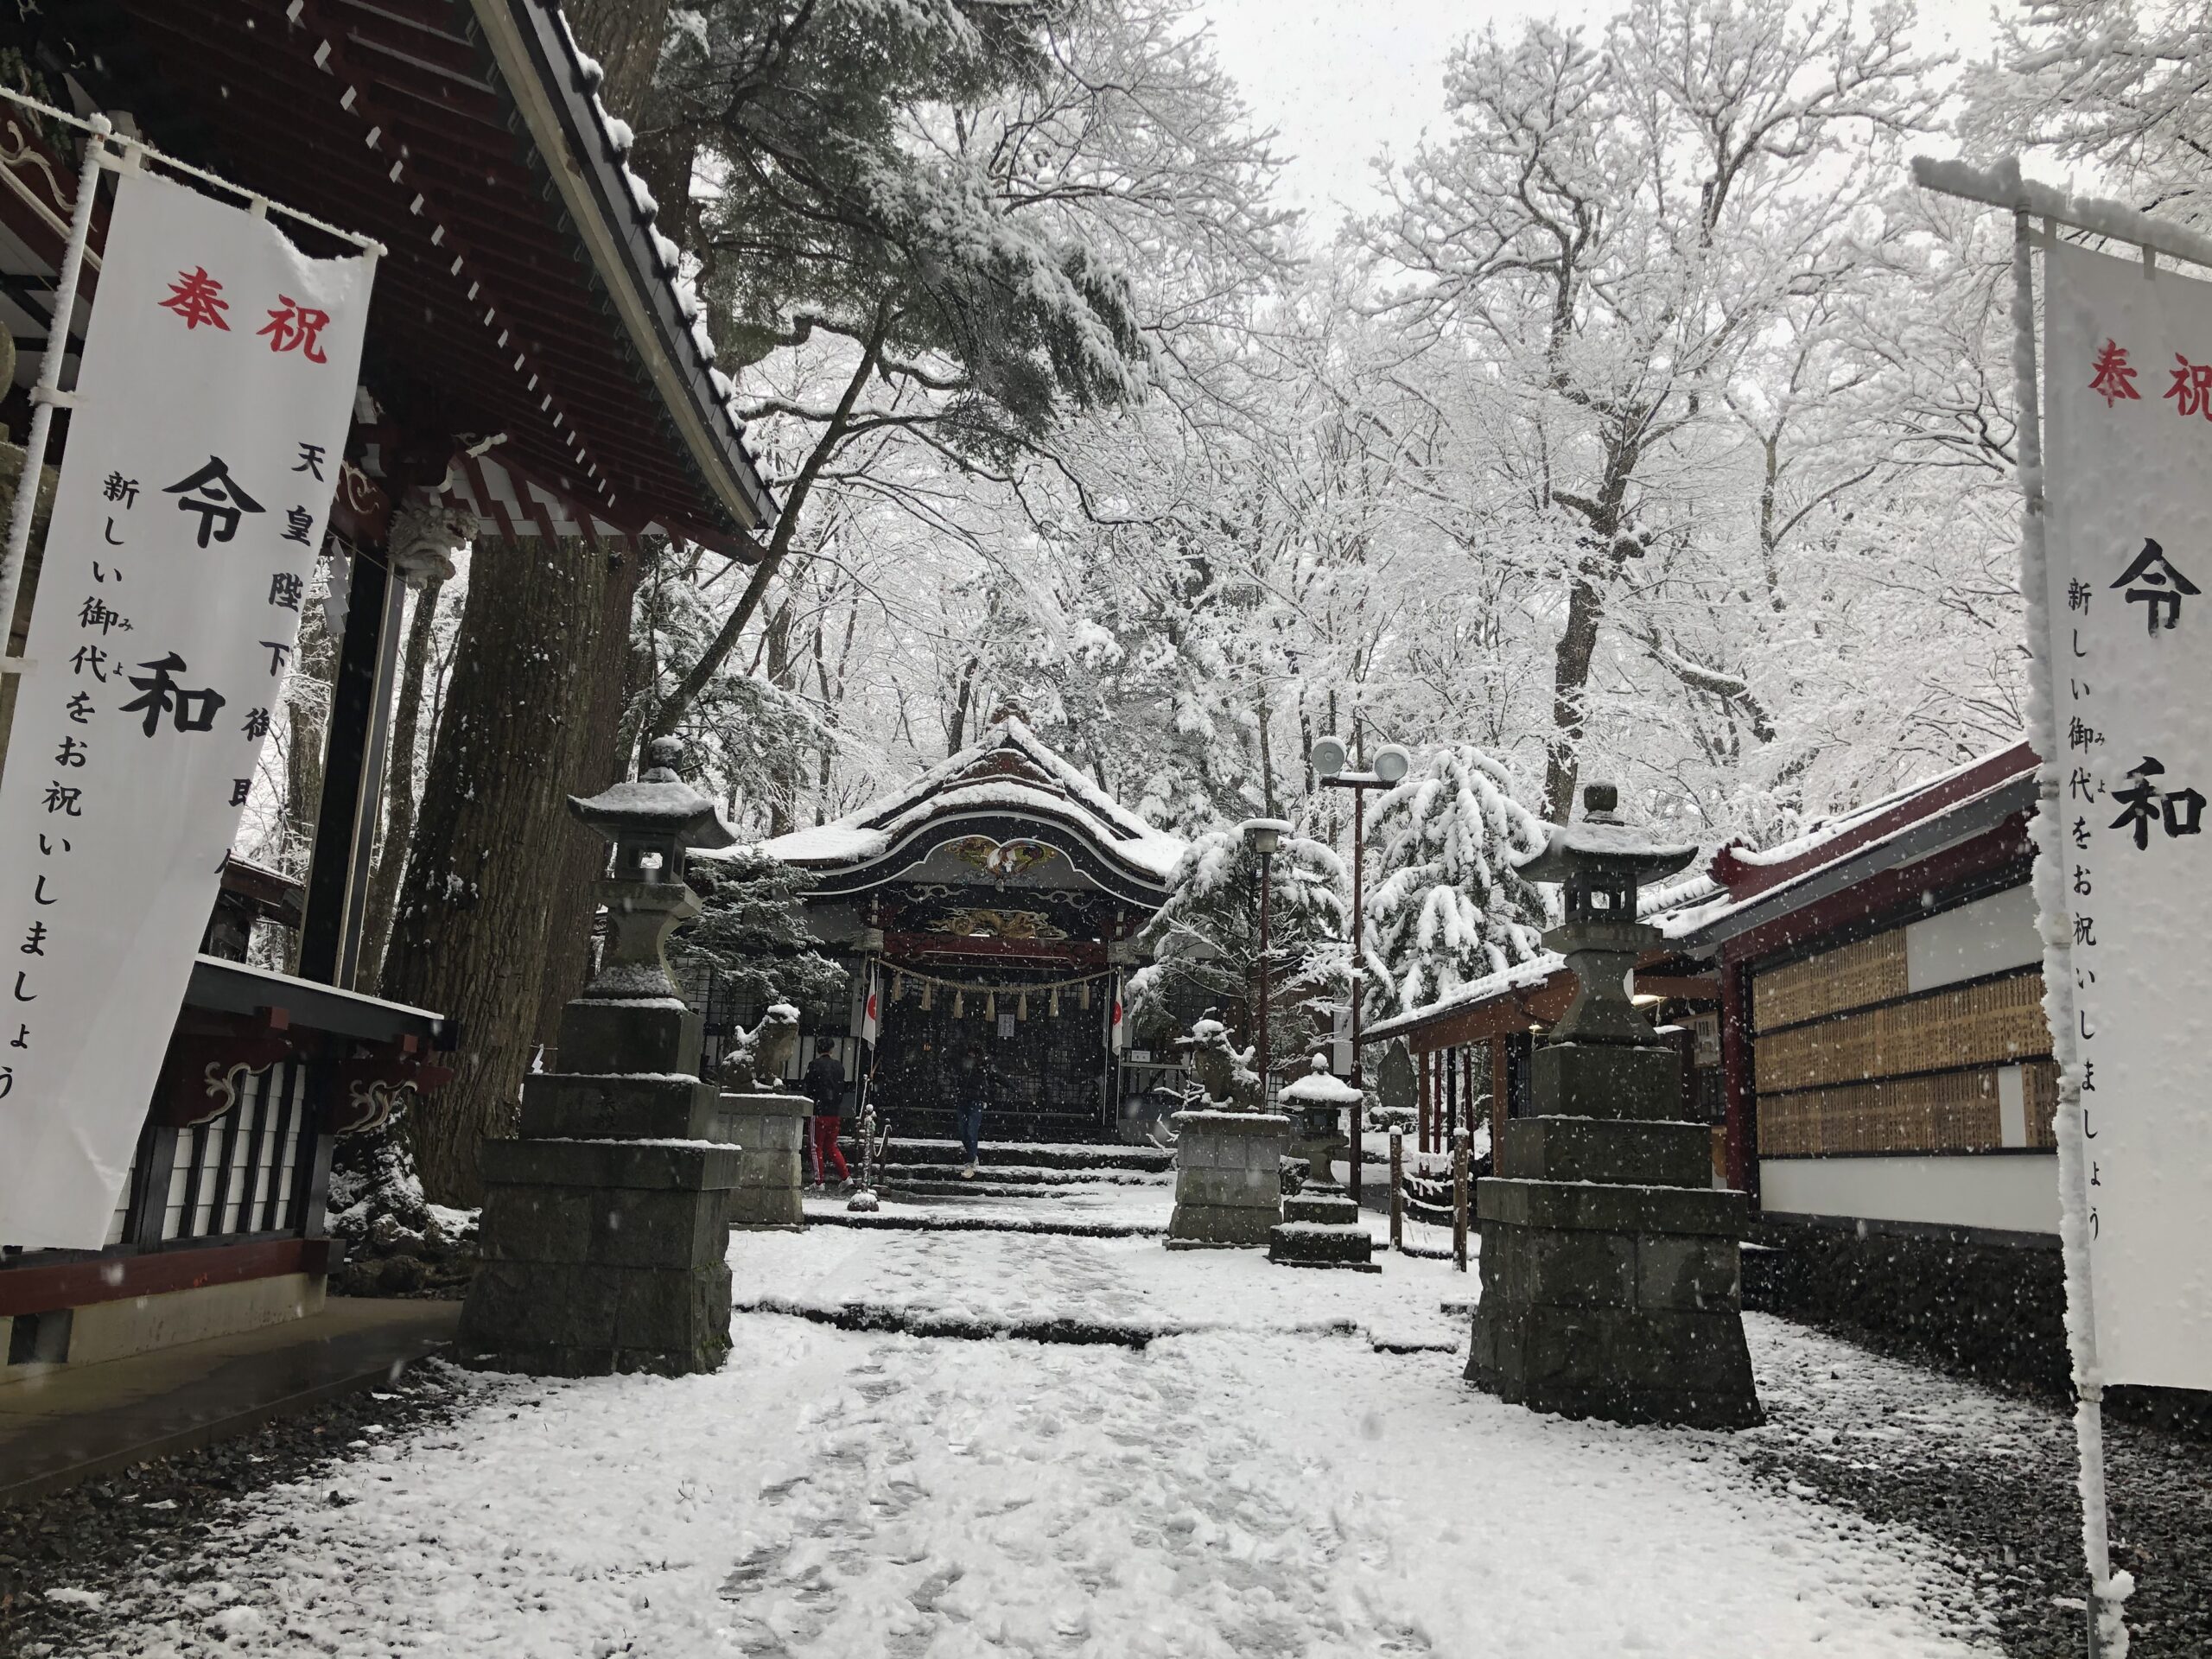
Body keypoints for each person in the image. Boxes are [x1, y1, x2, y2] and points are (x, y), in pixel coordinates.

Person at [803, 1038, 848, 1188]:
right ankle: (845, 1176)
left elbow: (808, 1088)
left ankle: (819, 1181)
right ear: (831, 1049)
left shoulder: (814, 1065)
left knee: (816, 1147)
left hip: (818, 1111)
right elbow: (841, 1089)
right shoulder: (839, 1067)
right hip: (834, 1112)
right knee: (832, 1146)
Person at [954, 1040, 989, 1178]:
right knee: (963, 1131)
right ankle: (972, 1156)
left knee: (971, 1130)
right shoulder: (963, 1065)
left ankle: (971, 1159)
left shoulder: (983, 1066)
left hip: (976, 1101)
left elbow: (999, 1077)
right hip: (964, 1100)